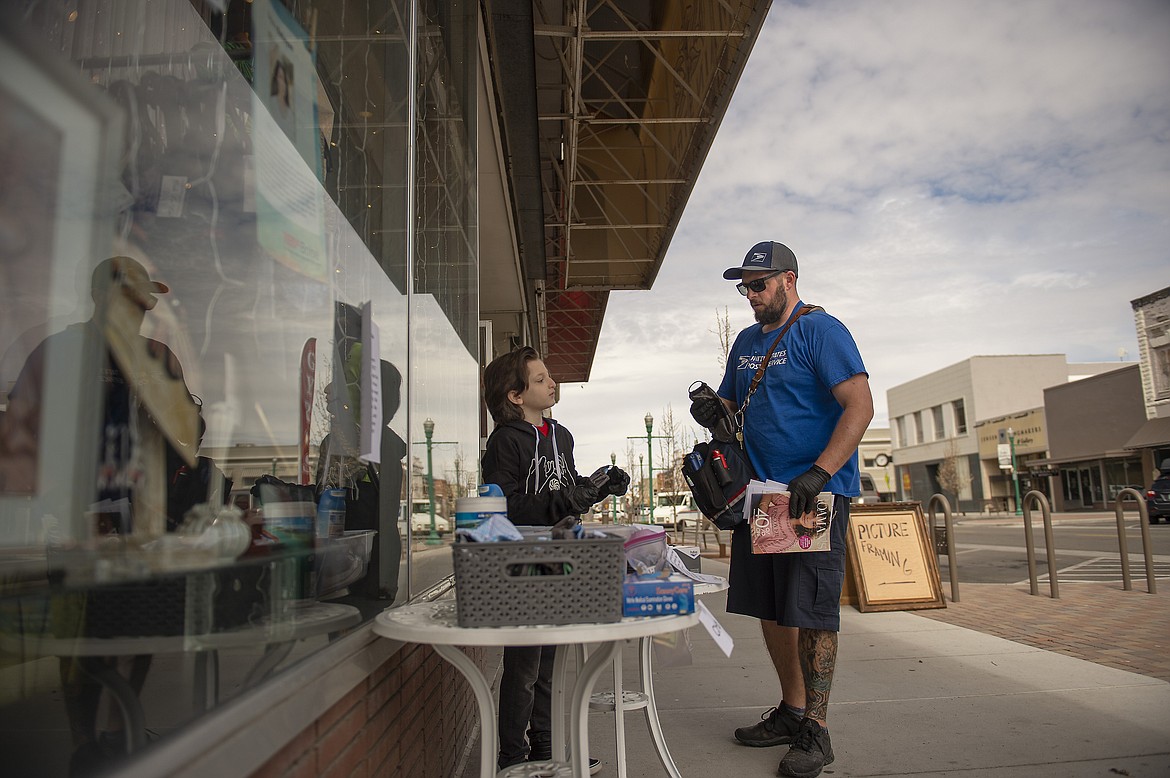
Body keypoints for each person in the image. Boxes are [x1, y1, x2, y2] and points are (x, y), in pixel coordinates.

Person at [690, 240, 873, 778]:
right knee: (773, 607)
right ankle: (793, 711)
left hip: (810, 497)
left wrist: (820, 472)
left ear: (789, 280)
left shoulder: (822, 331)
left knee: (812, 609)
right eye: (744, 285)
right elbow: (732, 403)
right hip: (761, 495)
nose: (750, 294)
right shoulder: (746, 340)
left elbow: (859, 404)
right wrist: (711, 408)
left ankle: (818, 729)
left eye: (759, 284)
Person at [480, 346, 629, 773]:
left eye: (550, 376)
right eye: (541, 378)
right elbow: (506, 505)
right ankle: (512, 757)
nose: (551, 383)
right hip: (522, 562)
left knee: (550, 667)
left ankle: (546, 750)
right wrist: (567, 498)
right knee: (524, 666)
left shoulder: (561, 435)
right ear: (515, 395)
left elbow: (568, 489)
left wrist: (600, 486)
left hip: (564, 557)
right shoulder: (504, 442)